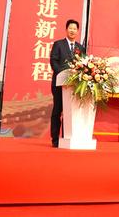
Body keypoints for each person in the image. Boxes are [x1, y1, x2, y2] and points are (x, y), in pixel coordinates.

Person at [49, 19, 86, 148]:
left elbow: (84, 65)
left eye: (75, 29)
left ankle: (66, 137)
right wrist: (64, 75)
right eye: (70, 28)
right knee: (57, 111)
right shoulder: (58, 44)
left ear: (77, 31)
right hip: (60, 85)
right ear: (66, 29)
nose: (72, 31)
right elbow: (53, 61)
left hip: (74, 87)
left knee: (70, 112)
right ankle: (55, 139)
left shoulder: (80, 48)